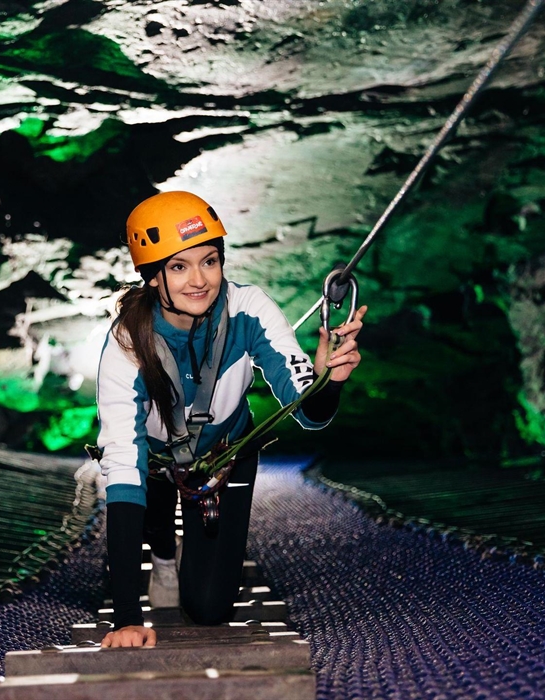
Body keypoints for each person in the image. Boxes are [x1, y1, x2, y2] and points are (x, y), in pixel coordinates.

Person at [95, 191, 366, 648]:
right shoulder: (127, 344)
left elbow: (310, 413)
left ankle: (186, 555)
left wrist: (328, 380)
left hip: (224, 457)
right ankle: (163, 554)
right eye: (179, 267)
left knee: (209, 609)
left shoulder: (250, 309)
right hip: (157, 461)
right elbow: (122, 467)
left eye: (210, 261)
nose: (199, 280)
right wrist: (126, 619)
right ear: (152, 278)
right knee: (151, 509)